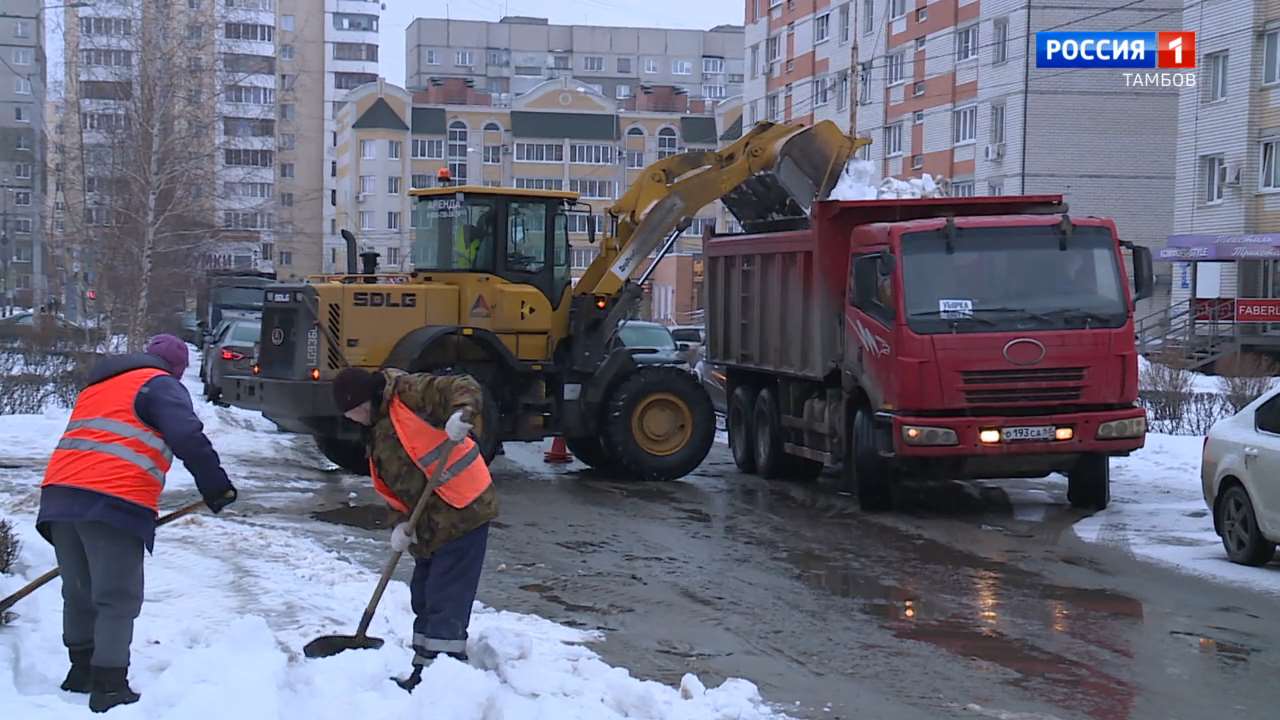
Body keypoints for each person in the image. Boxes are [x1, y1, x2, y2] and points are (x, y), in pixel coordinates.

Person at [37, 334, 237, 713]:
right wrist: (216, 486)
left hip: (59, 496)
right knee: (116, 597)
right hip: (112, 500)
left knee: (79, 590)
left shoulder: (99, 387)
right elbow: (187, 436)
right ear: (177, 371)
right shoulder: (160, 385)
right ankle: (110, 687)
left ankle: (81, 673)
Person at [332, 366, 497, 692]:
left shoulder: (408, 393)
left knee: (445, 599)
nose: (352, 419)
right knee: (423, 596)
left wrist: (460, 417)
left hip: (464, 510)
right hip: (429, 524)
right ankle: (424, 673)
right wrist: (399, 524)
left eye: (353, 412)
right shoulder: (376, 431)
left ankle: (445, 683)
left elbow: (465, 383)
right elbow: (396, 486)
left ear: (365, 399)